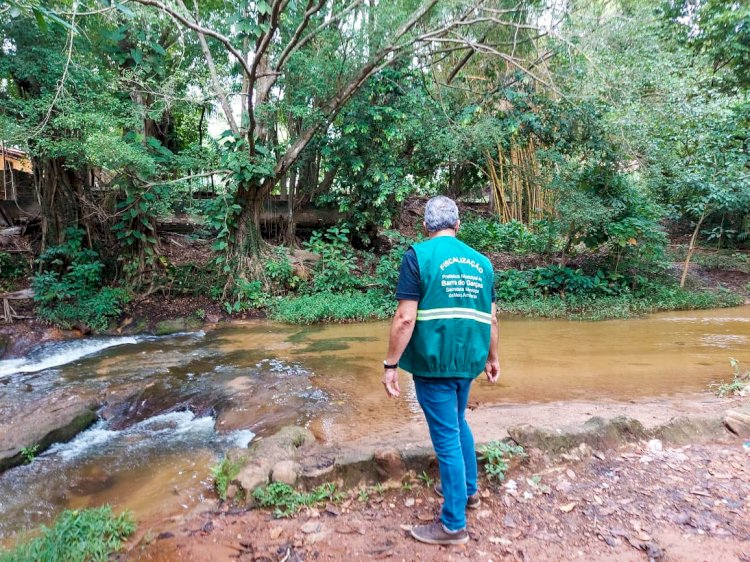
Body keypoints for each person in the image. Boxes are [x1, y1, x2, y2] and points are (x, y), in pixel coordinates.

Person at [382, 195, 500, 546]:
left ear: (425, 226)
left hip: (435, 364)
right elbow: (491, 318)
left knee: (447, 437)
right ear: (458, 225)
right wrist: (494, 358)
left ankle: (453, 524)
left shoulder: (417, 256)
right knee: (458, 422)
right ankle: (469, 492)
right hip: (469, 361)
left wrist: (390, 365)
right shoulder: (483, 264)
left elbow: (405, 318)